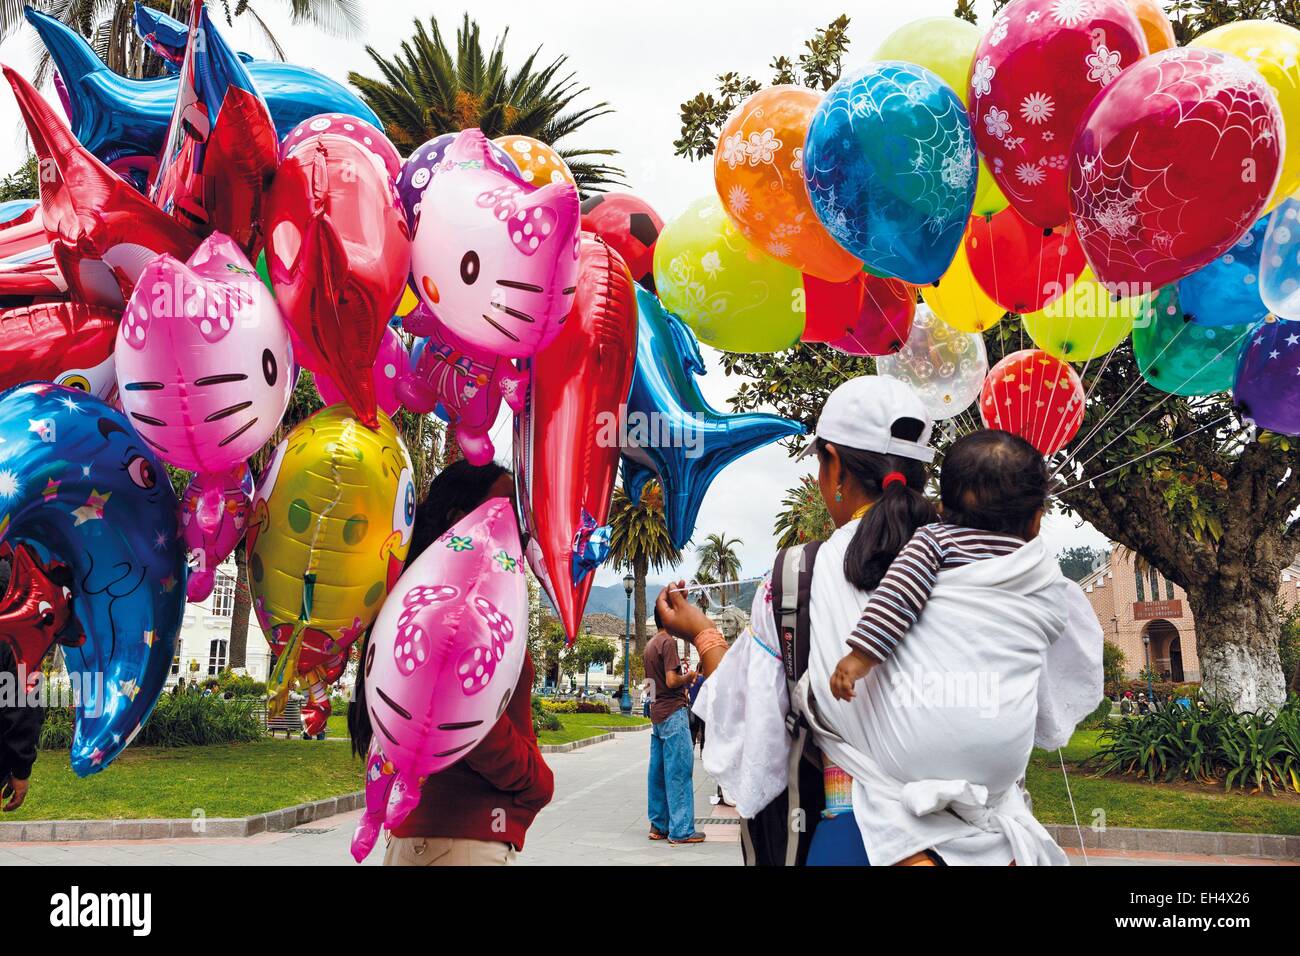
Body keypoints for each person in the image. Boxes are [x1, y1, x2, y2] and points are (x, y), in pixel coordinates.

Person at [659, 376, 1102, 866]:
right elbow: (1052, 713)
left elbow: (754, 734)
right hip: (996, 844)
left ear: (834, 465)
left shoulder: (796, 578)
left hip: (860, 841)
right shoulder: (1011, 566)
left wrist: (702, 635)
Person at [348, 460, 554, 866]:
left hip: (429, 839)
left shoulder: (424, 597)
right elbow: (461, 722)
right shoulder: (455, 611)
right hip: (460, 844)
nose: (520, 522)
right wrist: (538, 782)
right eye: (507, 507)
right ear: (462, 522)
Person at [643, 605, 711, 845]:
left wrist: (653, 709)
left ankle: (658, 825)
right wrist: (689, 677)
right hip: (673, 712)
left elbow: (649, 684)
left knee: (658, 773)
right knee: (679, 771)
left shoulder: (649, 645)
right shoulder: (667, 643)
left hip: (658, 714)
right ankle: (681, 830)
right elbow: (672, 680)